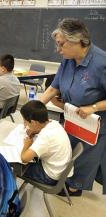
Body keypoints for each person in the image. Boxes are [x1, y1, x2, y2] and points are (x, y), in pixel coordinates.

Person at [40, 18, 106, 195]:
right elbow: (54, 87)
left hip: (93, 123)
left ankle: (76, 187)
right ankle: (66, 179)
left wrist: (93, 107)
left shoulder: (101, 63)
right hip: (72, 117)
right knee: (69, 148)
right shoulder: (68, 60)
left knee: (85, 157)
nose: (58, 49)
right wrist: (35, 107)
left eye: (61, 44)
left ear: (77, 40)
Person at [19, 100, 72, 186]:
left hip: (50, 177)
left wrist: (27, 144)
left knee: (16, 166)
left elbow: (24, 158)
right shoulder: (54, 123)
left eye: (25, 121)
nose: (25, 125)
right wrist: (35, 131)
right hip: (60, 170)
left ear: (33, 122)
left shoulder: (45, 137)